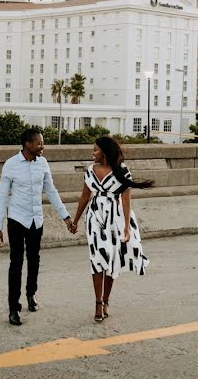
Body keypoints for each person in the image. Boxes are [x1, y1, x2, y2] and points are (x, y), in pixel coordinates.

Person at [0, 128, 74, 326]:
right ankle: (14, 307)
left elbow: (51, 191)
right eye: (39, 143)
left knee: (34, 260)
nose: (42, 146)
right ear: (27, 144)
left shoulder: (43, 164)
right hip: (16, 219)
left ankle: (31, 294)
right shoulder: (11, 165)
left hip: (36, 221)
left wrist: (65, 216)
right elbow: (2, 196)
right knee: (16, 263)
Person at [70, 136, 154, 322]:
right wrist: (75, 220)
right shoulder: (90, 171)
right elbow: (84, 197)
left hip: (114, 219)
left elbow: (126, 201)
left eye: (95, 150)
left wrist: (126, 227)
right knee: (97, 258)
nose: (92, 153)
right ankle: (98, 303)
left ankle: (106, 299)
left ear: (105, 153)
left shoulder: (122, 171)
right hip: (95, 218)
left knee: (111, 258)